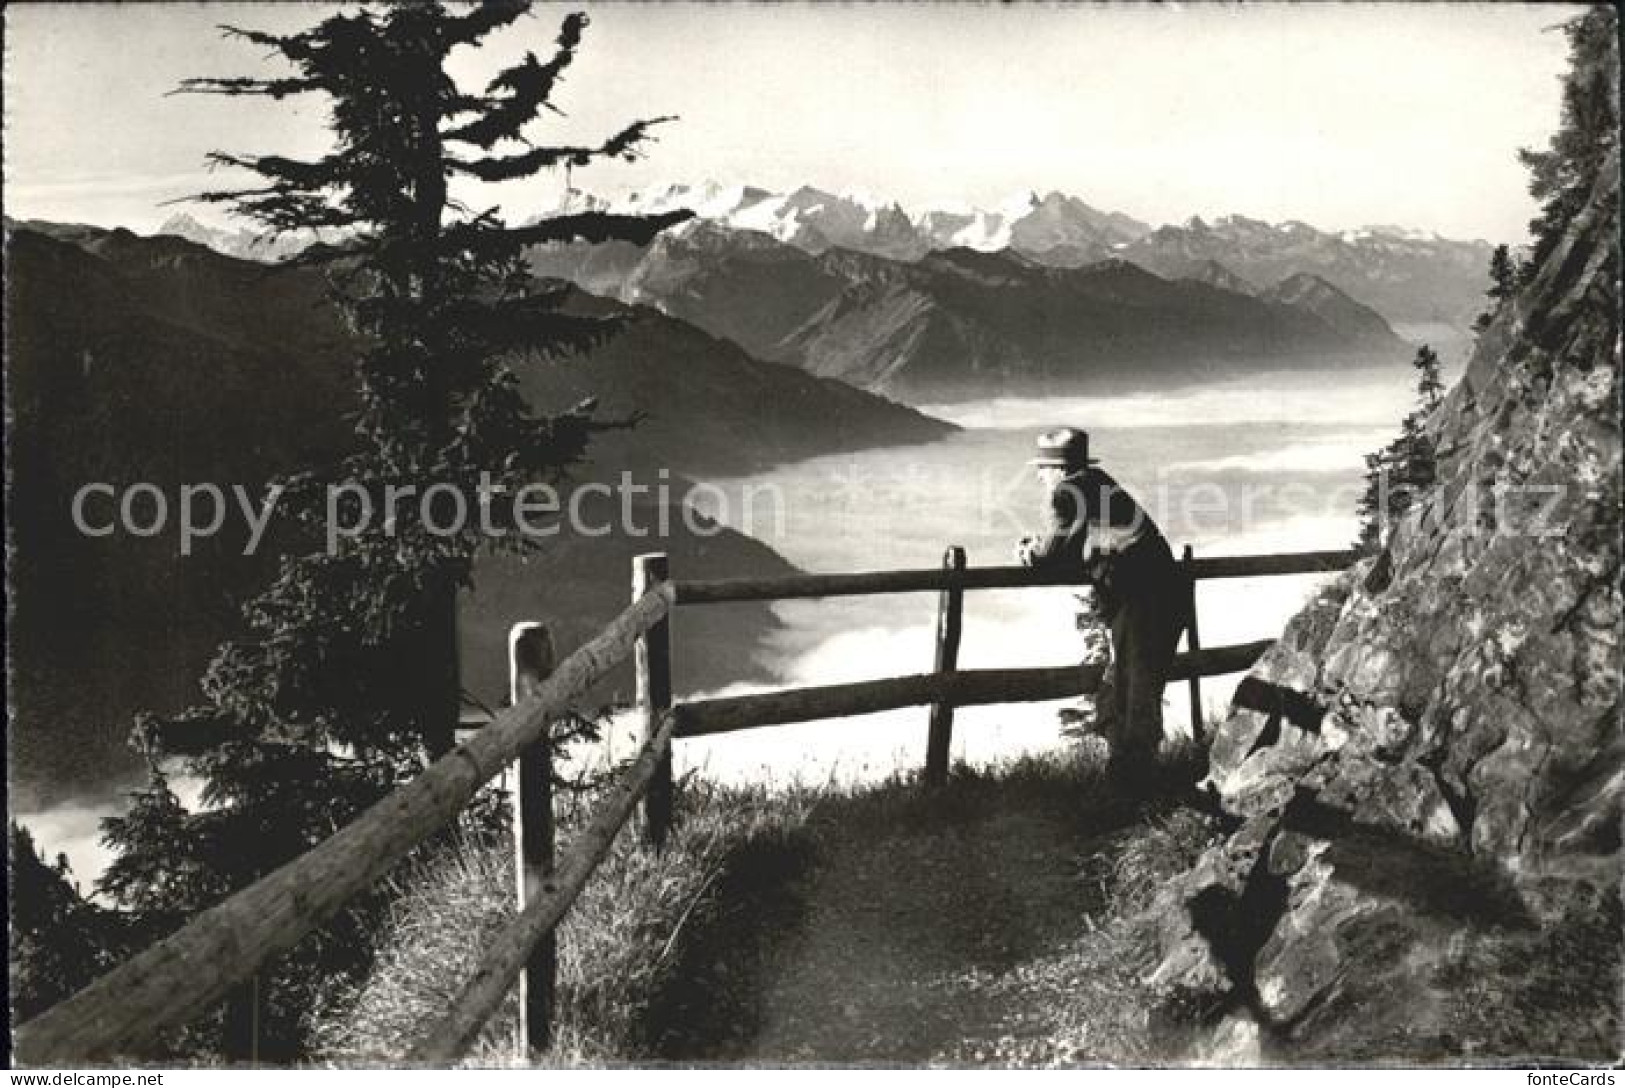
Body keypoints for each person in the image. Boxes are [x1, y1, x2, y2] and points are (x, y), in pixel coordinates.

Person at [1015, 427, 1185, 789]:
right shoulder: (1097, 482)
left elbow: (1052, 551)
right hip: (1159, 589)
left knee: (1133, 687)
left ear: (1059, 470)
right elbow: (1081, 540)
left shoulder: (1067, 491)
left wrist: (1027, 551)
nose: (1038, 476)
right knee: (1133, 684)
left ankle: (1136, 784)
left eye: (1042, 469)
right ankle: (1133, 776)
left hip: (1141, 596)